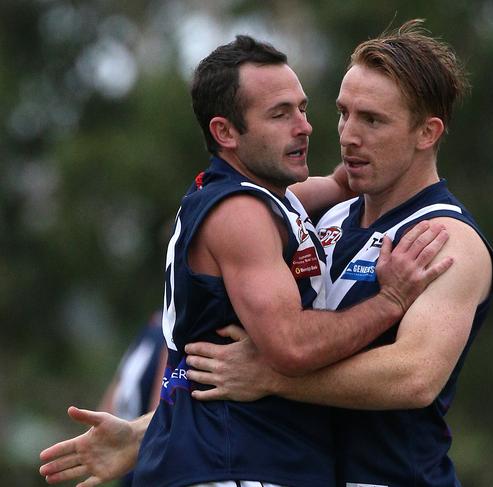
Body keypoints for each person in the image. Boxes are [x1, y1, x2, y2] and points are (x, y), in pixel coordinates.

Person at [39, 34, 452, 487]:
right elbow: (291, 346)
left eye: (305, 108)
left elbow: (341, 183)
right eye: (280, 115)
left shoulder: (276, 197)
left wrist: (376, 153)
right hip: (234, 463)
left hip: (243, 457)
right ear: (225, 133)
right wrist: (390, 300)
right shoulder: (240, 213)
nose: (305, 127)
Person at [184, 19, 493, 486]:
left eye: (372, 120)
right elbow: (235, 370)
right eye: (342, 113)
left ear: (427, 132)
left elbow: (414, 377)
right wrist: (145, 435)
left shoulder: (446, 238)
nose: (348, 135)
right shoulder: (323, 219)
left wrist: (275, 377)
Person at [97, 310, 166, 487]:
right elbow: (164, 411)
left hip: (137, 455)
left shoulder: (157, 324)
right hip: (141, 455)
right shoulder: (164, 325)